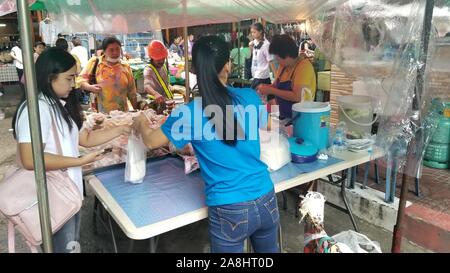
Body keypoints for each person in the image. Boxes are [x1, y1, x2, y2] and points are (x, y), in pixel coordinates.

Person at [133, 36, 280, 253]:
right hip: (266, 196)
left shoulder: (190, 113)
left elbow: (151, 142)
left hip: (229, 207)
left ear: (194, 69)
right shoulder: (249, 96)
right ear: (228, 64)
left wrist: (142, 121)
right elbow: (269, 125)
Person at [11, 47, 131, 253]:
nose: (74, 83)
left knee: (70, 245)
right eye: (69, 78)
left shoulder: (59, 104)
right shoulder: (38, 108)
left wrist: (123, 128)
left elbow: (85, 138)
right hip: (52, 197)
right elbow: (31, 158)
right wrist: (80, 162)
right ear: (50, 77)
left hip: (68, 194)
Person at [257, 34, 316, 119]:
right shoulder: (283, 66)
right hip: (284, 116)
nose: (277, 61)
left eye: (278, 58)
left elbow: (297, 97)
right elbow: (275, 86)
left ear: (287, 55)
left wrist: (271, 90)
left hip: (301, 118)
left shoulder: (304, 67)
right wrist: (264, 87)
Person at [78, 36, 138, 113]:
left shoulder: (125, 66)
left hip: (123, 114)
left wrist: (136, 111)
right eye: (111, 50)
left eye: (117, 49)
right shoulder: (95, 63)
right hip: (101, 114)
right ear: (104, 51)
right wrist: (90, 87)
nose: (115, 52)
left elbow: (132, 92)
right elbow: (79, 81)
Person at [249, 23, 276, 90]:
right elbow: (254, 55)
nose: (252, 34)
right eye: (252, 32)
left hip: (261, 75)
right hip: (256, 73)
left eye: (254, 32)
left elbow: (270, 61)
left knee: (253, 95)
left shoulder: (266, 45)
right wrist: (250, 46)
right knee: (269, 96)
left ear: (260, 31)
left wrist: (276, 76)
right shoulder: (254, 42)